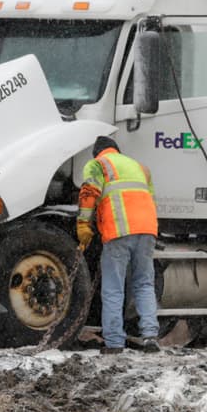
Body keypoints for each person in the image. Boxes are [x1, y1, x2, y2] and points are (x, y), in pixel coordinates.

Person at [77, 135, 160, 354]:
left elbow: (88, 193)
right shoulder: (139, 167)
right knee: (143, 284)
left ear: (97, 152)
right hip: (147, 229)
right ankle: (150, 337)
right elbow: (149, 199)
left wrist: (84, 224)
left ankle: (114, 342)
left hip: (119, 231)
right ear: (116, 150)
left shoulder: (97, 165)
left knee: (114, 287)